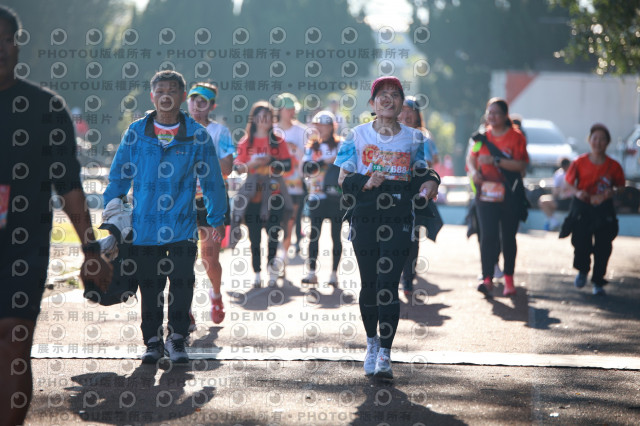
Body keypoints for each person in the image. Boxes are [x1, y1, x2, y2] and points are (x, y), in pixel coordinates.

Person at [0, 6, 112, 424]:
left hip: (22, 250)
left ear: (17, 46)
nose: (0, 48)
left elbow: (69, 188)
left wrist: (91, 250)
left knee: (13, 342)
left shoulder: (45, 109)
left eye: (6, 39)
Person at [103, 70, 227, 364]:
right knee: (150, 284)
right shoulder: (136, 132)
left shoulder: (197, 135)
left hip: (182, 225)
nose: (165, 96)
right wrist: (111, 216)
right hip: (145, 226)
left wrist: (217, 216)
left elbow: (212, 180)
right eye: (160, 91)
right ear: (152, 96)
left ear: (182, 96)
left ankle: (177, 338)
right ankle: (152, 341)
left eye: (172, 91)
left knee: (182, 281)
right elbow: (119, 176)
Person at [335, 76, 440, 379]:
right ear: (372, 103)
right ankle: (371, 343)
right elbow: (342, 180)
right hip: (365, 217)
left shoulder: (414, 138)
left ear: (401, 103)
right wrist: (366, 181)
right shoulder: (356, 135)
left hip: (399, 218)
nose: (388, 99)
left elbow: (420, 172)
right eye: (382, 94)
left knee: (388, 285)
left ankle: (385, 353)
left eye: (395, 94)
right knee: (370, 284)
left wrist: (431, 182)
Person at [466, 98, 529, 298]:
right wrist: (474, 172)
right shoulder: (482, 137)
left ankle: (509, 278)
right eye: (489, 113)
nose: (492, 117)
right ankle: (487, 278)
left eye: (496, 113)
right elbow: (471, 158)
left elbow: (521, 166)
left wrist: (495, 160)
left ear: (505, 116)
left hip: (510, 194)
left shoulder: (516, 137)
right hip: (485, 194)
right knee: (487, 236)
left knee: (508, 237)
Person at [186, 82, 234, 325]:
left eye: (203, 101)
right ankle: (185, 309)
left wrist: (204, 154)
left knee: (209, 259)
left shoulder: (219, 132)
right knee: (183, 259)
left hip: (210, 201)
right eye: (194, 99)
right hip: (182, 201)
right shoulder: (178, 129)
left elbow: (227, 168)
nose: (197, 105)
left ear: (211, 106)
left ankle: (215, 296)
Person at [231, 101, 292, 288]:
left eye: (267, 117)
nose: (264, 120)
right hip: (253, 193)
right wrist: (251, 164)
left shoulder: (278, 141)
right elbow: (237, 167)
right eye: (260, 117)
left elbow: (288, 165)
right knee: (254, 237)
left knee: (273, 233)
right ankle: (257, 273)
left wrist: (271, 160)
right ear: (254, 119)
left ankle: (272, 269)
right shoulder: (246, 142)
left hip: (274, 193)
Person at [560, 124, 625, 296]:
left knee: (603, 246)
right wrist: (577, 192)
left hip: (604, 208)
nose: (598, 142)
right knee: (581, 241)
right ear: (589, 140)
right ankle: (583, 270)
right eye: (595, 138)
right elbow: (568, 183)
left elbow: (621, 186)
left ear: (607, 142)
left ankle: (598, 280)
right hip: (583, 206)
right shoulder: (579, 162)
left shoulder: (613, 165)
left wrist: (612, 192)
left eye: (602, 139)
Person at [397, 96, 437, 297]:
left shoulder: (424, 137)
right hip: (393, 193)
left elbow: (430, 161)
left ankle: (408, 279)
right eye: (403, 110)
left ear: (417, 114)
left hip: (416, 193)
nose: (406, 114)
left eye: (410, 110)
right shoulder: (389, 134)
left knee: (412, 237)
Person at [300, 111, 344, 286]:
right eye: (318, 125)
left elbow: (347, 165)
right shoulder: (312, 147)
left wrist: (332, 161)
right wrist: (325, 161)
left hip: (336, 196)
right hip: (316, 196)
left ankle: (334, 274)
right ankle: (312, 272)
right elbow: (306, 168)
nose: (321, 128)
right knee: (314, 235)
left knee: (336, 236)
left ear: (332, 127)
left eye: (325, 125)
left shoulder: (340, 144)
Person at [273, 93, 306, 275]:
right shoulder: (271, 130)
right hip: (274, 184)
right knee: (273, 222)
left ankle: (283, 256)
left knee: (290, 221)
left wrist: (294, 149)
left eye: (293, 108)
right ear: (280, 110)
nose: (291, 112)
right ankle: (273, 256)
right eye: (288, 108)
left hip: (294, 183)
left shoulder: (301, 131)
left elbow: (307, 157)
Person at [538, 157, 574, 231]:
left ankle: (554, 222)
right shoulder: (560, 174)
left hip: (571, 201)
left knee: (544, 201)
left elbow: (556, 191)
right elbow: (556, 192)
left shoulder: (569, 174)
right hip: (563, 201)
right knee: (543, 200)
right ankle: (554, 223)